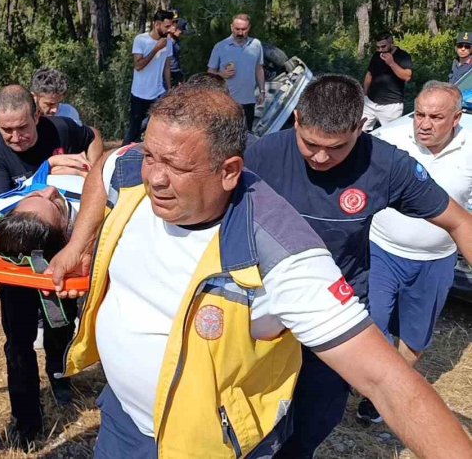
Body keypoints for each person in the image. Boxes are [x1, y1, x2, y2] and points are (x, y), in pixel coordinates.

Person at [45, 85, 472, 459]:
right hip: (123, 424)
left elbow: (386, 382)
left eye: (175, 167)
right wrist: (76, 246)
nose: (154, 177)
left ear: (229, 171)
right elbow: (109, 166)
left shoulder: (281, 251)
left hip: (209, 445)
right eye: (152, 156)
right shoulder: (136, 169)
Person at [242, 74, 472, 458]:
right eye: (310, 144)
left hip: (337, 305)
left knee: (319, 412)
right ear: (297, 119)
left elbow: (459, 221)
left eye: (335, 148)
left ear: (360, 128)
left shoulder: (385, 165)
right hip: (267, 304)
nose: (319, 157)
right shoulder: (263, 156)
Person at [0, 84, 100, 447]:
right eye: (6, 130)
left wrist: (92, 171)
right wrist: (45, 172)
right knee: (18, 341)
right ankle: (27, 420)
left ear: (38, 116)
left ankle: (59, 374)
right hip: (17, 261)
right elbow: (2, 208)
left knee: (61, 323)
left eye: (22, 128)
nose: (15, 137)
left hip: (65, 250)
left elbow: (92, 136)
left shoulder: (61, 129)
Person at [358, 82, 472, 423]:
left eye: (435, 117)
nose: (424, 124)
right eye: (419, 114)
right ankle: (375, 387)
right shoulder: (389, 138)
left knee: (415, 337)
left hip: (436, 262)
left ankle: (383, 393)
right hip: (380, 251)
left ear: (456, 118)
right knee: (371, 329)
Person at [208, 13, 265, 132]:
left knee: (246, 135)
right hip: (227, 101)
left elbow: (258, 68)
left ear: (249, 28)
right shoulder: (220, 46)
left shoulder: (256, 45)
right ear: (231, 27)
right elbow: (210, 72)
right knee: (227, 136)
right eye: (237, 29)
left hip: (248, 101)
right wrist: (221, 74)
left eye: (243, 29)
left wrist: (262, 91)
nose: (240, 33)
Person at [126, 9, 176, 144]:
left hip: (158, 92)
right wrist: (156, 49)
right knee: (134, 130)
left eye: (171, 26)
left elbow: (166, 65)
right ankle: (123, 154)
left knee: (159, 127)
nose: (169, 29)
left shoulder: (168, 41)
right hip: (140, 92)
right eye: (166, 26)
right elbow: (138, 66)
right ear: (157, 25)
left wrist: (169, 89)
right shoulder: (141, 40)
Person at [362, 31, 413, 131]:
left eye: (383, 46)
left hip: (391, 106)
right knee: (359, 132)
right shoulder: (377, 55)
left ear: (391, 43)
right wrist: (364, 93)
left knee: (390, 135)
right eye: (377, 47)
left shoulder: (403, 56)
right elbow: (369, 74)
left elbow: (407, 77)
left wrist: (391, 63)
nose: (380, 50)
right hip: (370, 103)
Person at [162, 18, 187, 89]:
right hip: (169, 73)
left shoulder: (176, 40)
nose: (181, 33)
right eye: (180, 31)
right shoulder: (166, 40)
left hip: (176, 71)